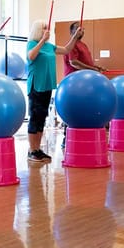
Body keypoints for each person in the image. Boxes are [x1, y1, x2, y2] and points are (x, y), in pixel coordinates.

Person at [25, 19, 80, 163]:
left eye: (47, 28)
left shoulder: (50, 46)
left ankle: (37, 149)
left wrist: (74, 37)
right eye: (44, 28)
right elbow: (31, 56)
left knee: (42, 117)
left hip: (47, 85)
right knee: (35, 118)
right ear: (38, 31)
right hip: (36, 85)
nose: (46, 30)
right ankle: (32, 150)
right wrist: (42, 40)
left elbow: (67, 50)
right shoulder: (32, 44)